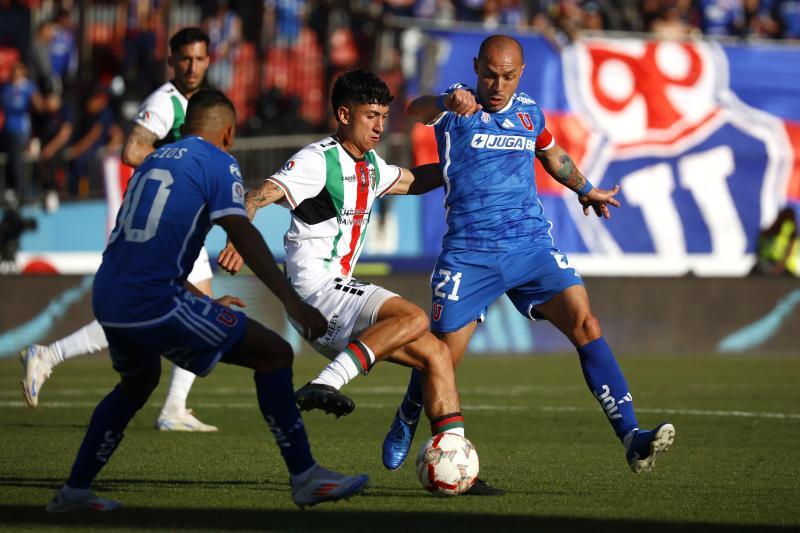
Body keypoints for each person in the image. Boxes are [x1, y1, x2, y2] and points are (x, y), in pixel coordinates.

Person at [45, 88, 368, 512]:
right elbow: (241, 230)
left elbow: (148, 246)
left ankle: (73, 492)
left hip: (108, 293)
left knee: (138, 383)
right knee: (273, 354)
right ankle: (306, 476)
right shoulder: (217, 161)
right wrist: (291, 300)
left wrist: (200, 300)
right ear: (228, 133)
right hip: (155, 299)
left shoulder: (151, 161)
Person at [380, 34, 676, 475]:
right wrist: (445, 100)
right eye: (489, 75)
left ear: (520, 74)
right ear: (476, 67)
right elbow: (414, 110)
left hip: (530, 246)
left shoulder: (529, 112)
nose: (497, 86)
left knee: (586, 323)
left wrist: (586, 189)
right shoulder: (456, 106)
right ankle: (408, 412)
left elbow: (551, 153)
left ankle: (632, 437)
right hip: (470, 254)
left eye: (508, 77)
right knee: (440, 357)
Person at [217, 69, 471, 477]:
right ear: (344, 114)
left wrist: (462, 165)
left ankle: (457, 461)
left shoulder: (370, 165)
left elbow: (411, 181)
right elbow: (258, 195)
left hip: (336, 297)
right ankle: (326, 382)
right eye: (371, 116)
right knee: (414, 317)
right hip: (315, 292)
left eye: (384, 116)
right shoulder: (318, 161)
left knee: (437, 355)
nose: (379, 126)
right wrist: (237, 237)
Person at [20, 28, 218, 432]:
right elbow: (132, 151)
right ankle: (169, 406)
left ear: (208, 60)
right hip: (164, 221)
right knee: (181, 311)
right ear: (171, 61)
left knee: (185, 308)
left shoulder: (200, 102)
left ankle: (172, 406)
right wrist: (180, 166)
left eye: (199, 59)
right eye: (185, 58)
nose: (192, 66)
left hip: (181, 219)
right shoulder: (164, 102)